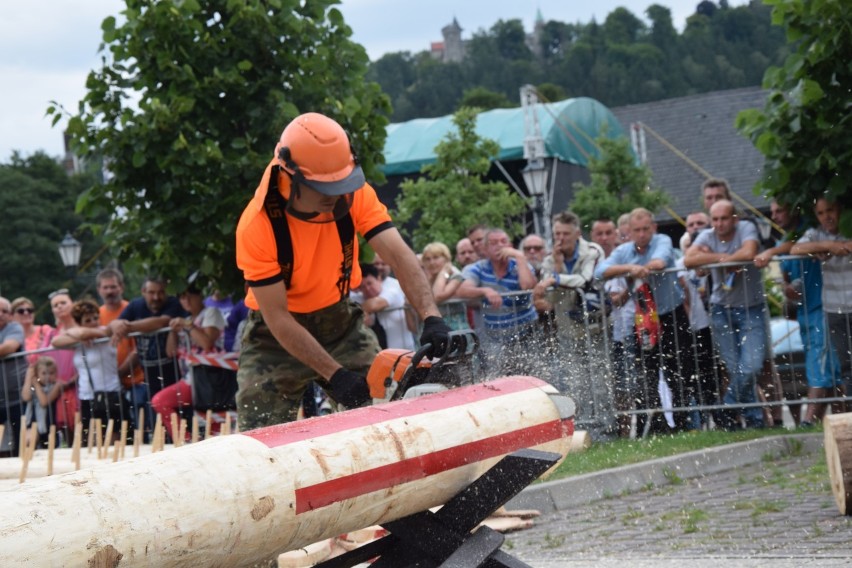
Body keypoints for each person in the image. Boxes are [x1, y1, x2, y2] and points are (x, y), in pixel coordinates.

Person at [235, 112, 451, 429]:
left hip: (340, 324)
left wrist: (431, 316)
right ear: (290, 174)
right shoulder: (257, 226)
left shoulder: (351, 192)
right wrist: (335, 376)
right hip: (275, 338)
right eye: (322, 187)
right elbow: (278, 318)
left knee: (386, 411)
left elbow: (399, 255)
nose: (335, 195)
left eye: (340, 183)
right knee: (260, 429)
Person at [596, 208, 693, 434]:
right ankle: (658, 425)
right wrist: (631, 269)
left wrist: (640, 270)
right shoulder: (624, 251)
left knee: (678, 370)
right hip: (644, 319)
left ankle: (681, 423)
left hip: (671, 314)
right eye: (636, 230)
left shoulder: (663, 240)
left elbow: (661, 261)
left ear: (653, 228)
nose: (641, 234)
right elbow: (600, 271)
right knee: (647, 373)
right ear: (628, 231)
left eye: (645, 229)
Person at [685, 199, 767, 429]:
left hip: (751, 307)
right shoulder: (707, 236)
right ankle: (754, 419)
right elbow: (689, 259)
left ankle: (727, 405)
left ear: (734, 219)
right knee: (735, 369)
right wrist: (724, 260)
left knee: (751, 366)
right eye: (715, 219)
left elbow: (749, 251)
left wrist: (711, 258)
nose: (719, 224)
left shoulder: (746, 228)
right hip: (721, 309)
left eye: (724, 218)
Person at [758, 201, 839, 425]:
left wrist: (771, 251)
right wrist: (787, 290)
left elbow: (795, 246)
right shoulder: (785, 239)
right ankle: (817, 422)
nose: (775, 216)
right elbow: (784, 280)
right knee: (824, 367)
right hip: (805, 313)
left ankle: (809, 420)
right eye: (772, 211)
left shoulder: (808, 232)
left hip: (823, 308)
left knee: (822, 367)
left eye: (780, 209)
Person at [533, 211, 609, 428]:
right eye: (557, 233)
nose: (561, 238)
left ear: (577, 233)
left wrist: (554, 278)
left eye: (565, 233)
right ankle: (582, 426)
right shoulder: (550, 259)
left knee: (600, 378)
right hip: (566, 327)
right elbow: (551, 298)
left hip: (594, 325)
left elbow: (585, 281)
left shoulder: (593, 251)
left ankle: (605, 427)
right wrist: (556, 267)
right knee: (575, 381)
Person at [791, 197, 852, 421]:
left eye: (831, 210)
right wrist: (829, 246)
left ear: (841, 209)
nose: (827, 217)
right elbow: (797, 248)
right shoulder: (817, 234)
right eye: (821, 213)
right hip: (835, 308)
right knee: (846, 365)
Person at [108, 276, 189, 435]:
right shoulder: (135, 305)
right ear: (143, 291)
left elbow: (162, 322)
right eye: (151, 292)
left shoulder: (172, 303)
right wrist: (117, 325)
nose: (156, 297)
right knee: (155, 420)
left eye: (160, 292)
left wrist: (127, 326)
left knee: (179, 415)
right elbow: (113, 325)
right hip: (149, 376)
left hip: (175, 372)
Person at [151, 280, 227, 441]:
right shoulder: (186, 319)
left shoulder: (211, 312)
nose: (185, 301)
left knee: (216, 427)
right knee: (160, 401)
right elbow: (170, 352)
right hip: (193, 380)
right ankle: (187, 441)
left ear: (200, 296)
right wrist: (173, 331)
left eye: (188, 297)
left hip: (211, 378)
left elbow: (206, 343)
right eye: (181, 298)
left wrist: (188, 326)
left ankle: (188, 442)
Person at [456, 228, 538, 376]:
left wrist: (520, 257)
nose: (499, 245)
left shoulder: (520, 264)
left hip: (526, 334)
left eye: (503, 241)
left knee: (530, 377)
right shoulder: (479, 268)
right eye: (493, 243)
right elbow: (462, 290)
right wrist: (485, 290)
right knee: (500, 379)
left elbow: (527, 285)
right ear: (485, 249)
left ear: (510, 245)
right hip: (495, 338)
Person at [52, 299, 124, 445]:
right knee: (93, 441)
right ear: (79, 322)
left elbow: (107, 330)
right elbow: (55, 342)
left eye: (95, 317)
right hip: (87, 396)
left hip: (110, 393)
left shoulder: (105, 331)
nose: (94, 322)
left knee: (113, 440)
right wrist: (80, 335)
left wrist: (87, 333)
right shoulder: (77, 338)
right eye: (88, 320)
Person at [96, 268, 145, 438]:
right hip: (110, 386)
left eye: (113, 287)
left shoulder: (130, 309)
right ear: (99, 290)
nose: (109, 291)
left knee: (140, 427)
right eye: (106, 287)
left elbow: (138, 348)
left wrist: (119, 372)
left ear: (121, 287)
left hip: (135, 381)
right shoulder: (98, 315)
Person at [352, 263, 416, 350]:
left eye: (369, 283)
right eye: (363, 287)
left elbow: (373, 305)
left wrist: (359, 311)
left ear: (379, 279)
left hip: (404, 351)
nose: (367, 289)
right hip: (380, 356)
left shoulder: (393, 291)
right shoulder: (359, 298)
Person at [46, 289, 80, 441]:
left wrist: (72, 380)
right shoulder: (51, 334)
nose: (59, 307)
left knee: (85, 429)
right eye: (55, 305)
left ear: (72, 304)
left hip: (80, 385)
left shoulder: (82, 327)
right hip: (59, 389)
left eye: (63, 303)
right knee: (68, 434)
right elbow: (43, 360)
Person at [0, 296, 26, 457]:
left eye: (5, 311)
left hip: (17, 397)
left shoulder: (14, 327)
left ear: (10, 315)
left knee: (20, 444)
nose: (1, 314)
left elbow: (9, 347)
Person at [421, 242, 467, 331]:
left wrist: (443, 273)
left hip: (455, 328)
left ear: (446, 259)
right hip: (435, 327)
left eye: (436, 257)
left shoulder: (456, 275)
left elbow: (437, 296)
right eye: (427, 259)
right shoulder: (429, 277)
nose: (432, 262)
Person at [21, 356, 61, 448]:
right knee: (27, 441)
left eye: (51, 373)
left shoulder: (57, 386)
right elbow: (25, 397)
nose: (47, 376)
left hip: (49, 425)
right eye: (44, 373)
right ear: (37, 374)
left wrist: (36, 384)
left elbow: (44, 402)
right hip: (33, 424)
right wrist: (28, 378)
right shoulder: (32, 386)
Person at [10, 297, 54, 365]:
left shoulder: (45, 330)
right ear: (12, 316)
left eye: (30, 310)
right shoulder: (11, 339)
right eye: (21, 311)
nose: (26, 313)